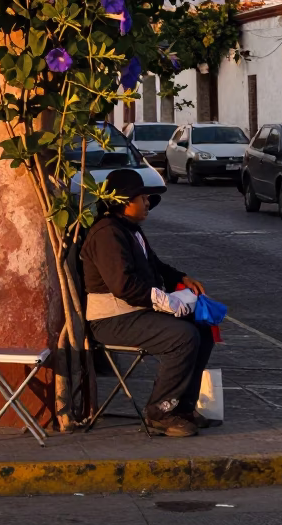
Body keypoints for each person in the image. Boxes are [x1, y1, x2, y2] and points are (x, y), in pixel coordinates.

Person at [80, 167, 216, 437]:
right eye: (142, 199)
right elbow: (124, 286)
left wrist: (181, 278)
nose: (147, 206)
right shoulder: (107, 233)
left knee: (202, 328)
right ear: (123, 201)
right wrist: (164, 301)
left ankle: (183, 407)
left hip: (136, 312)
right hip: (112, 320)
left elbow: (155, 265)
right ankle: (160, 411)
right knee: (183, 336)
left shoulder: (131, 230)